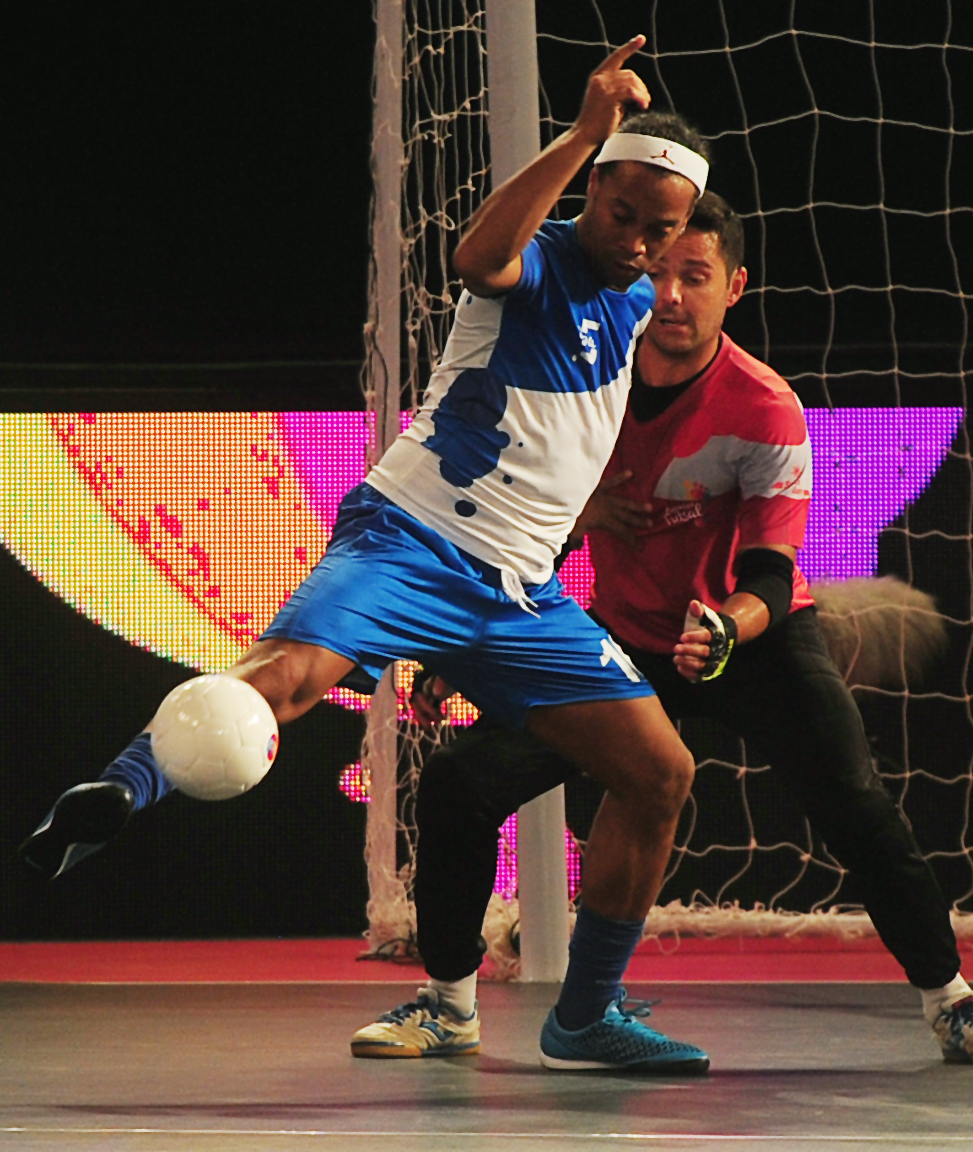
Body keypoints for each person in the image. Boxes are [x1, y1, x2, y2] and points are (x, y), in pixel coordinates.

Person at [22, 38, 716, 1074]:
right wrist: (579, 136)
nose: (638, 243)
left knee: (659, 772)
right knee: (292, 681)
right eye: (622, 216)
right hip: (412, 543)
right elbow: (476, 261)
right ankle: (121, 790)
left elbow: (565, 423)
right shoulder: (544, 255)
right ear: (593, 191)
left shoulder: (635, 297)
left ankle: (584, 1019)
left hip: (521, 593)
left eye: (660, 233)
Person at [355, 190, 973, 1067]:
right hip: (620, 640)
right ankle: (448, 1005)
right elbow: (516, 522)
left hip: (749, 638)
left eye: (696, 276)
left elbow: (770, 573)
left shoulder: (763, 408)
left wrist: (730, 627)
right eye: (658, 272)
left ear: (734, 287)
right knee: (459, 784)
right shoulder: (582, 380)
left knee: (855, 805)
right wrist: (475, 631)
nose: (671, 295)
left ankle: (954, 1003)